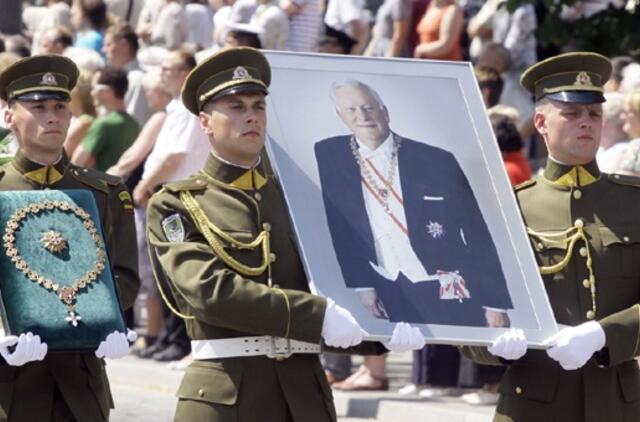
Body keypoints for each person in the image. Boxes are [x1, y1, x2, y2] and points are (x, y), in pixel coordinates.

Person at [145, 46, 424, 421]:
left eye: (258, 106)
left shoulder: (303, 197)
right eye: (236, 107)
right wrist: (317, 315)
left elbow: (345, 276)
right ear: (205, 122)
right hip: (228, 397)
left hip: (303, 397)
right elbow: (209, 292)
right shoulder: (177, 204)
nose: (251, 116)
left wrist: (383, 328)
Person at [464, 51, 640, 422]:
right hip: (531, 406)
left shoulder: (633, 202)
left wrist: (606, 335)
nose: (586, 123)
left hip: (619, 407)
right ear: (541, 122)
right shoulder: (508, 209)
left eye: (594, 113)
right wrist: (495, 345)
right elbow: (470, 319)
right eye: (572, 113)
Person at [0, 54, 139, 421]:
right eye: (38, 106)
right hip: (8, 386)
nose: (52, 116)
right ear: (9, 115)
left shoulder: (103, 191)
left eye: (60, 106)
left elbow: (123, 275)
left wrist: (104, 318)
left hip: (81, 386)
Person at [314, 79, 513, 327]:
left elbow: (475, 230)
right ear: (340, 116)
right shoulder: (330, 155)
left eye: (368, 107)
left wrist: (494, 301)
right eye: (351, 110)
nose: (362, 116)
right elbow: (340, 226)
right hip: (388, 283)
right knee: (415, 361)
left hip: (447, 284)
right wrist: (362, 283)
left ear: (385, 111)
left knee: (455, 362)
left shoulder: (435, 159)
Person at [72, 66, 140, 171]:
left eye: (94, 88)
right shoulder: (134, 124)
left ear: (106, 91)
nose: (92, 93)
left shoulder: (103, 123)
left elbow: (77, 162)